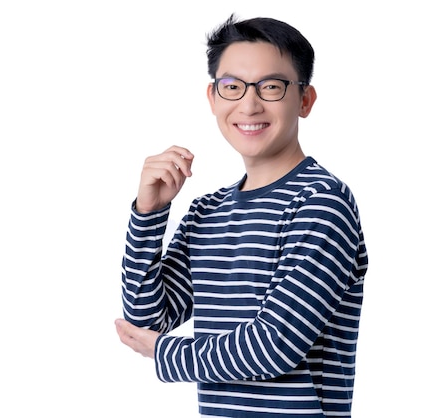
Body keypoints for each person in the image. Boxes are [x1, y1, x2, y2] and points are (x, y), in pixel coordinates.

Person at [115, 14, 368, 417]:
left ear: (304, 100)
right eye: (232, 87)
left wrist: (165, 354)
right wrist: (149, 214)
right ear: (214, 98)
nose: (249, 104)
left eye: (271, 86)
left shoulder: (321, 203)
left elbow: (275, 346)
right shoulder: (206, 211)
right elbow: (148, 317)